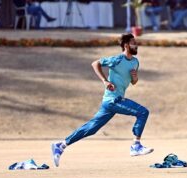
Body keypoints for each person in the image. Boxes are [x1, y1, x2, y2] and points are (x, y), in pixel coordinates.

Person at [51, 33, 154, 167]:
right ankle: (136, 145)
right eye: (134, 43)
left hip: (111, 102)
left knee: (92, 128)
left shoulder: (135, 62)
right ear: (126, 45)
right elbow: (95, 63)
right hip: (113, 100)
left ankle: (61, 145)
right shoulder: (117, 59)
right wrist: (105, 81)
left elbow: (133, 82)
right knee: (142, 112)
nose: (137, 45)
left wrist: (135, 78)